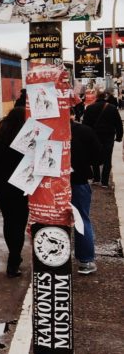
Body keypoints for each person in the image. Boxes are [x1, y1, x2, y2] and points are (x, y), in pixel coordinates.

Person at [0, 107, 28, 277]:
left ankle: (14, 257)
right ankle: (13, 260)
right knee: (19, 224)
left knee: (9, 221)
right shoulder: (24, 138)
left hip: (0, 187)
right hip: (19, 187)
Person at [70, 113, 99, 275]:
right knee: (81, 219)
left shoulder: (46, 129)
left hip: (51, 184)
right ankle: (85, 261)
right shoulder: (85, 131)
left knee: (52, 220)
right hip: (78, 181)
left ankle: (53, 260)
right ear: (72, 114)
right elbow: (98, 158)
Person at [83, 92, 123, 187]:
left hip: (94, 136)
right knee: (107, 159)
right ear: (105, 97)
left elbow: (85, 124)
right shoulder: (112, 108)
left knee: (94, 157)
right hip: (108, 136)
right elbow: (118, 124)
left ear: (96, 97)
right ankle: (104, 182)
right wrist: (119, 136)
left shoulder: (90, 108)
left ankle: (96, 178)